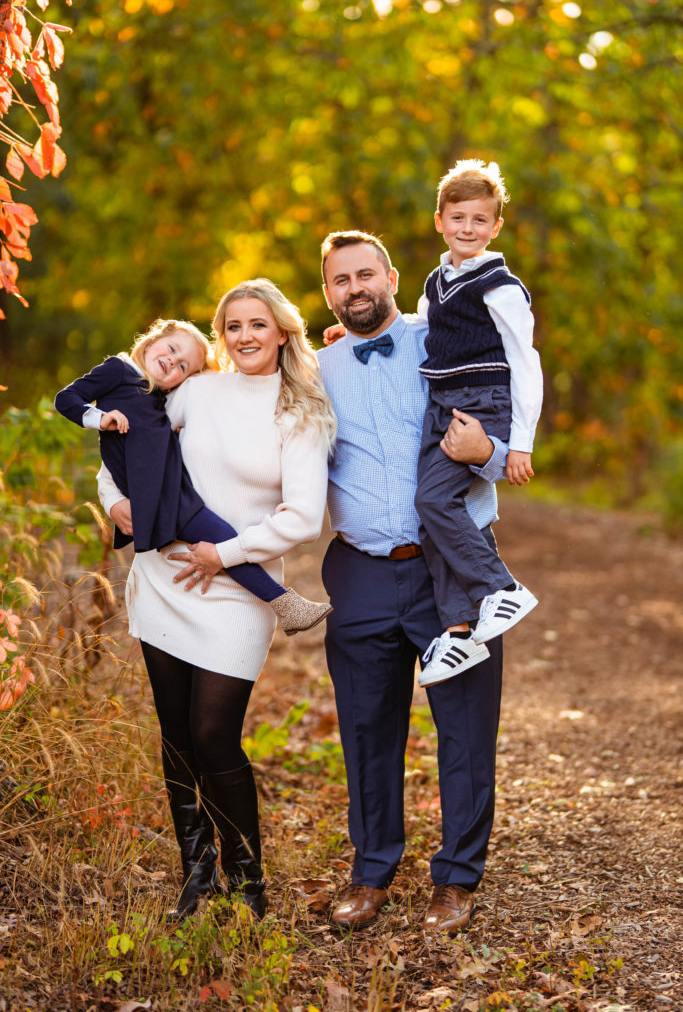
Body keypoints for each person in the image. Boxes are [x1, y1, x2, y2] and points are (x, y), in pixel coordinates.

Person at [96, 281, 335, 920]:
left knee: (213, 735)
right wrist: (112, 502)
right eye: (233, 325)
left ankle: (248, 879)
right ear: (221, 335)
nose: (246, 336)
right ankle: (197, 873)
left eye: (259, 323)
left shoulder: (302, 412)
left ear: (283, 331)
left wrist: (222, 555)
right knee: (176, 736)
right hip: (164, 580)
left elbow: (303, 517)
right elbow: (125, 446)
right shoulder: (197, 391)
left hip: (237, 589)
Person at [317, 230, 508, 935]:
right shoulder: (312, 369)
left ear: (393, 276)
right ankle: (371, 872)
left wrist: (489, 450)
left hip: (448, 570)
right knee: (367, 731)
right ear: (327, 292)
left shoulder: (447, 340)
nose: (355, 288)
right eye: (341, 279)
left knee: (463, 727)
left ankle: (456, 879)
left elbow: (506, 392)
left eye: (365, 274)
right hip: (360, 570)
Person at [55, 318, 331, 636]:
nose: (172, 361)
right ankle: (285, 603)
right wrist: (101, 420)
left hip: (175, 489)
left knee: (224, 536)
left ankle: (286, 605)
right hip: (158, 497)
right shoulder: (119, 370)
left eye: (182, 365)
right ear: (154, 337)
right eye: (172, 348)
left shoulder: (164, 398)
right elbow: (66, 399)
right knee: (223, 535)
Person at [414, 159, 542, 684]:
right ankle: (461, 633)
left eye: (479, 220)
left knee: (432, 499)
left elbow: (526, 361)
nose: (468, 229)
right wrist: (349, 336)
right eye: (458, 217)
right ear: (439, 220)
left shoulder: (501, 285)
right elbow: (420, 325)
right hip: (442, 401)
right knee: (428, 512)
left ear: (496, 227)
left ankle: (501, 588)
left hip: (481, 403)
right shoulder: (436, 281)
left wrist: (520, 444)